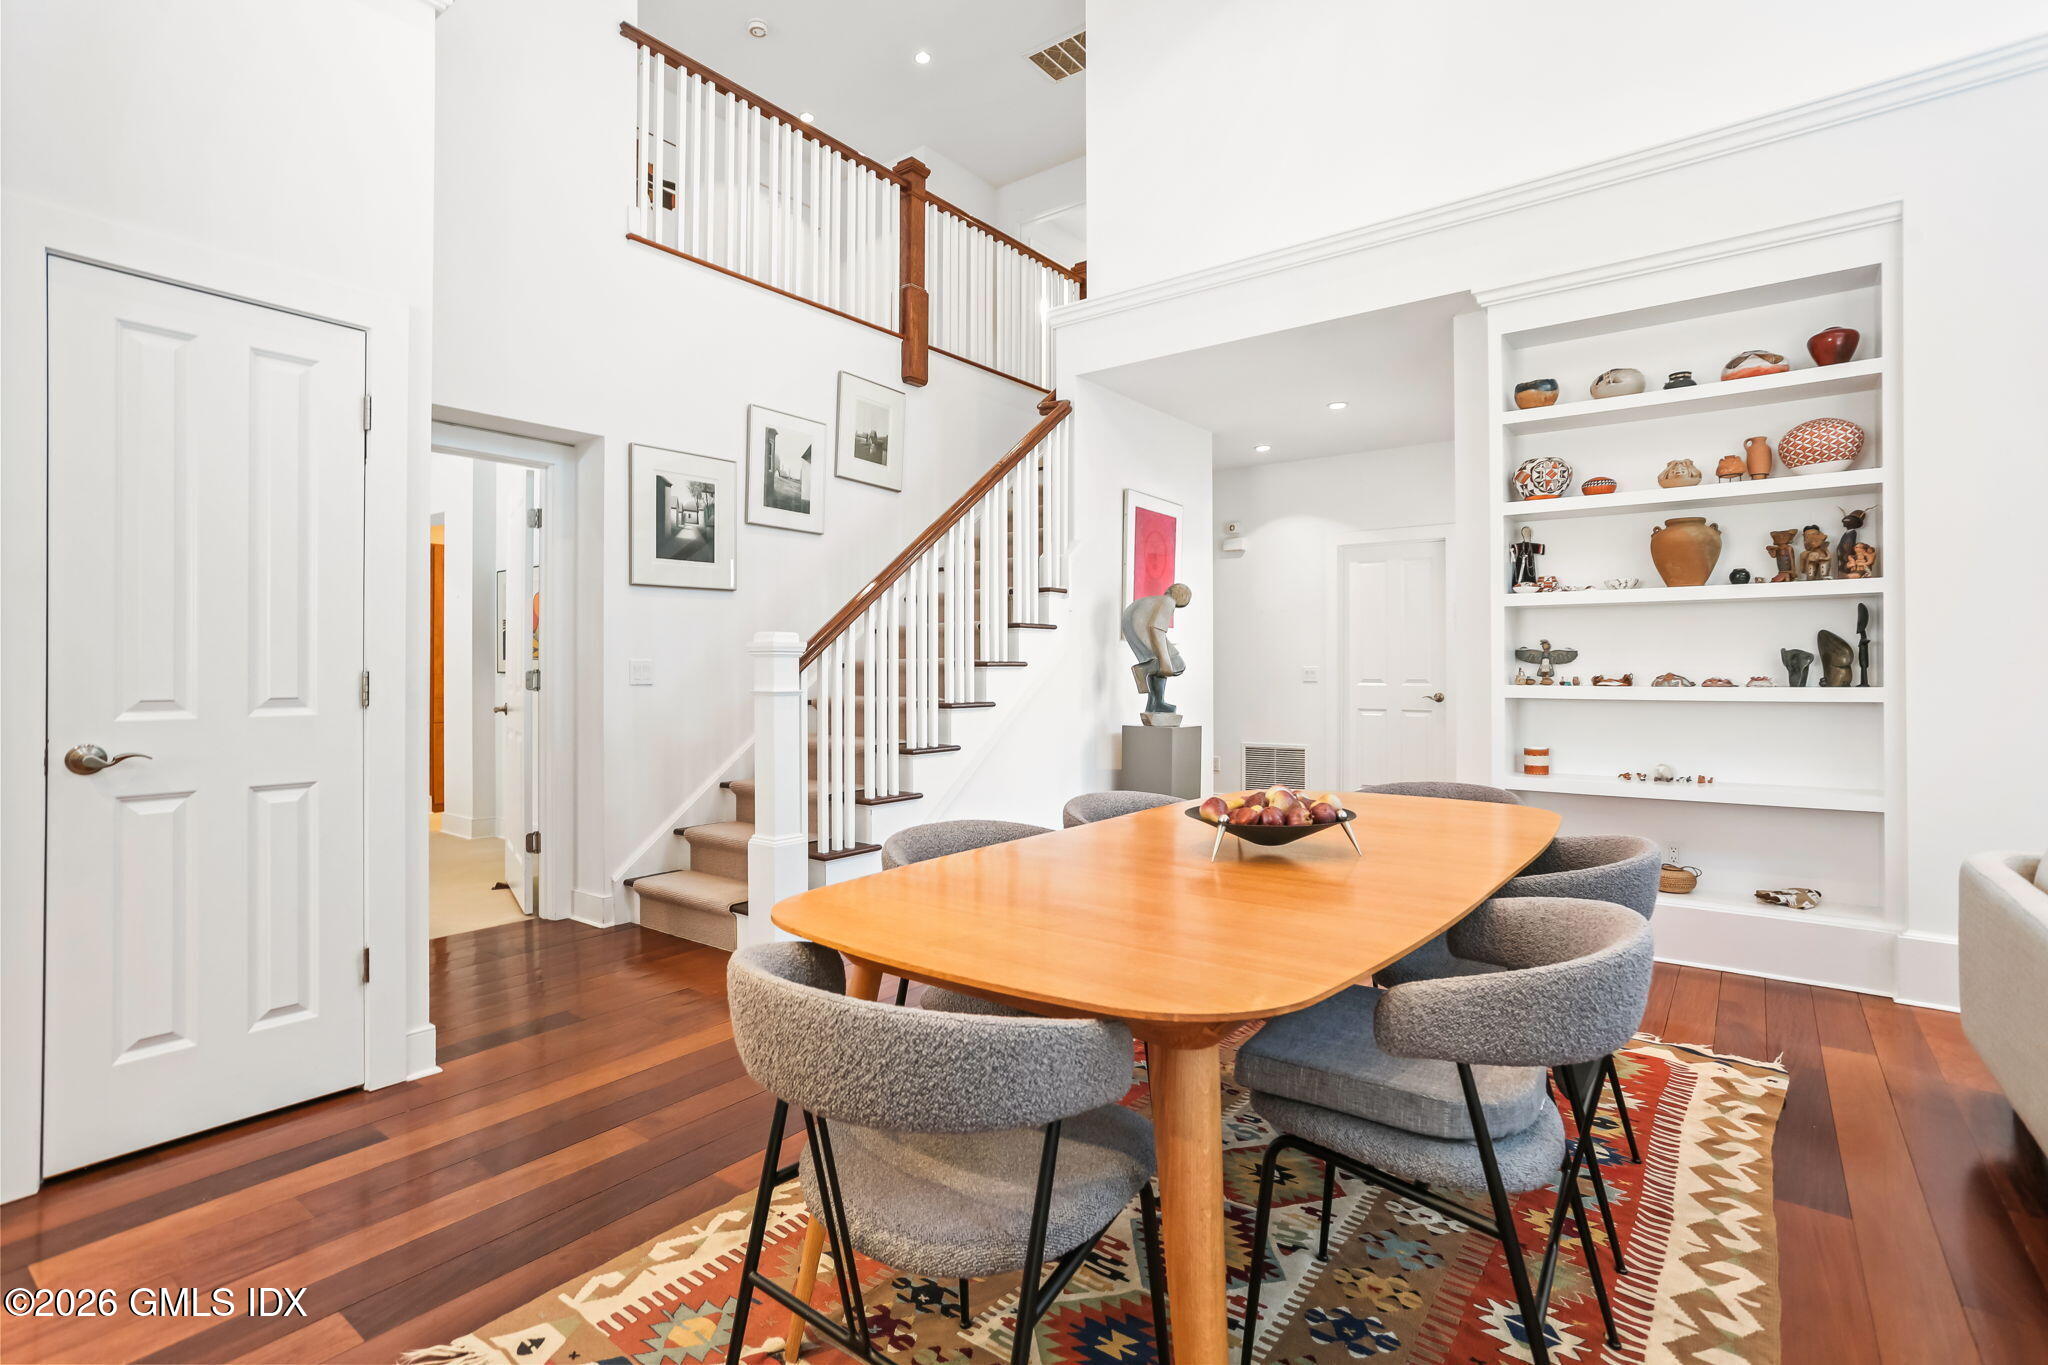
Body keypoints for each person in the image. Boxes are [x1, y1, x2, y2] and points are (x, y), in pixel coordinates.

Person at [1121, 583, 1192, 725]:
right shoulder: (1168, 602)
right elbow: (1156, 628)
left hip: (1133, 628)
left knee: (1160, 667)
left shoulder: (1155, 600)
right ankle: (1144, 670)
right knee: (1177, 664)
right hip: (1144, 630)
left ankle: (1155, 703)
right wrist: (1164, 660)